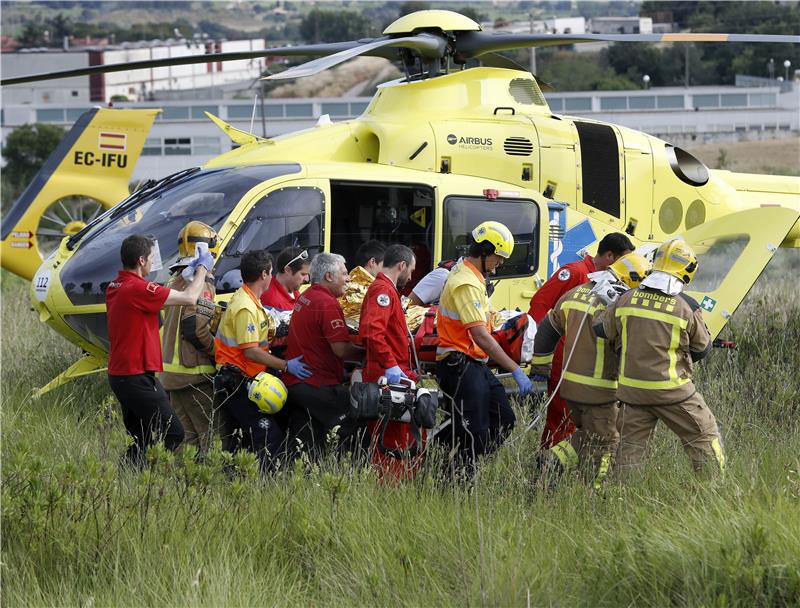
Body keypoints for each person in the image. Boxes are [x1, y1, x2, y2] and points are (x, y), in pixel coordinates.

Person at [596, 239, 725, 478]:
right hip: (673, 391)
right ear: (687, 269)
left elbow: (602, 330)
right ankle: (714, 489)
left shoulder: (626, 298)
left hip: (632, 392)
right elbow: (702, 349)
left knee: (630, 451)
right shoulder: (686, 306)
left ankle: (623, 498)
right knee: (704, 436)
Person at [532, 252, 650, 489]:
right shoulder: (616, 303)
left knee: (586, 434)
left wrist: (540, 367)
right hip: (600, 391)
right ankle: (595, 493)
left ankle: (551, 459)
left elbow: (547, 329)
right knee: (606, 444)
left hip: (569, 388)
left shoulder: (577, 292)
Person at [106, 233, 213, 467]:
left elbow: (162, 295)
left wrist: (186, 276)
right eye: (151, 258)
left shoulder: (117, 285)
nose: (154, 263)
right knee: (174, 432)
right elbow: (189, 297)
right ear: (142, 261)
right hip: (134, 376)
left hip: (123, 374)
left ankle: (130, 474)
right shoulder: (137, 289)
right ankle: (152, 472)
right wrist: (203, 268)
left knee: (142, 436)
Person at [435, 221, 533, 477]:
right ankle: (456, 477)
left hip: (473, 363)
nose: (499, 263)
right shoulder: (466, 282)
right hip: (459, 362)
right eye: (498, 257)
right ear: (486, 251)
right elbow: (479, 334)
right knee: (474, 430)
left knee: (504, 419)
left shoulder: (474, 277)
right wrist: (514, 369)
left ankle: (453, 465)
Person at [528, 232, 634, 450]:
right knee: (561, 418)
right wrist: (532, 348)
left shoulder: (611, 283)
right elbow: (540, 303)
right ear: (609, 256)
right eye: (623, 261)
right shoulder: (575, 273)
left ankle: (569, 467)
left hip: (587, 360)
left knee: (586, 424)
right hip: (564, 355)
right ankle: (547, 464)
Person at [213, 249, 312, 468]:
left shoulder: (250, 300)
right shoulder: (246, 307)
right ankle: (267, 481)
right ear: (264, 275)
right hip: (237, 380)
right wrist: (286, 366)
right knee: (267, 435)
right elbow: (250, 351)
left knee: (245, 437)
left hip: (245, 377)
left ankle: (239, 475)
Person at [282, 253, 365, 460]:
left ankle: (294, 476)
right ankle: (354, 471)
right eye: (345, 274)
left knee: (306, 440)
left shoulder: (306, 295)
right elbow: (340, 349)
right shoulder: (326, 303)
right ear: (329, 276)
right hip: (317, 383)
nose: (348, 279)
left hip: (300, 383)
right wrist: (366, 351)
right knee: (357, 419)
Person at [359, 244, 421, 480]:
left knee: (400, 435)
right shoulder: (382, 291)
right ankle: (389, 485)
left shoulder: (386, 289)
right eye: (411, 270)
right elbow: (371, 332)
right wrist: (390, 364)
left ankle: (396, 482)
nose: (411, 276)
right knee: (391, 438)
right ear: (401, 265)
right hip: (385, 374)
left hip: (392, 371)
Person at [160, 221, 220, 455]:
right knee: (211, 437)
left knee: (185, 441)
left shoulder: (175, 279)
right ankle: (209, 486)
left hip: (171, 375)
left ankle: (180, 486)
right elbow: (195, 327)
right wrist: (217, 353)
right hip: (194, 375)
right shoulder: (201, 281)